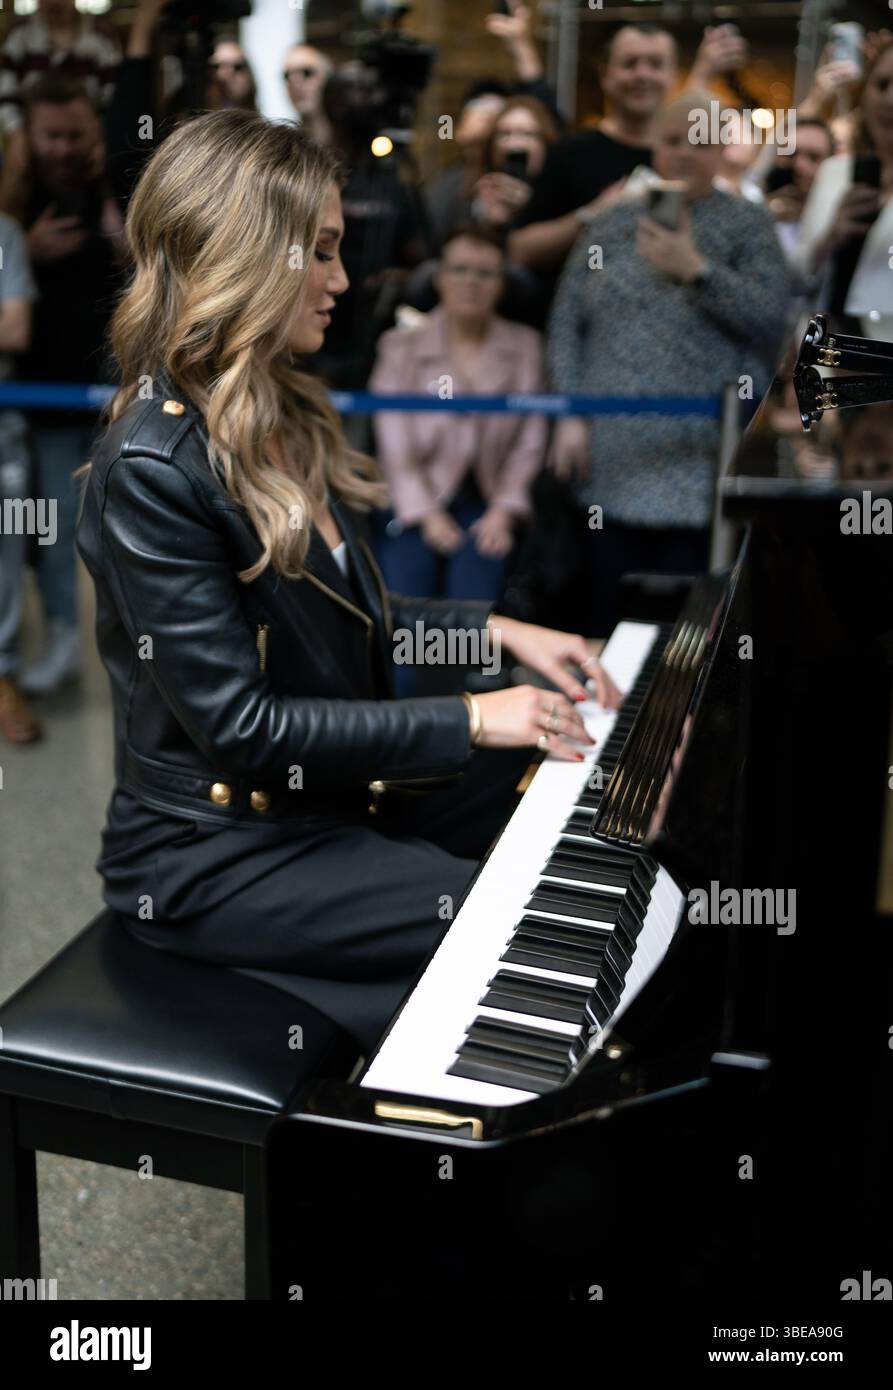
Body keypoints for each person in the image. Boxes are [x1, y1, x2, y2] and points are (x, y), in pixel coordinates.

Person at [74, 109, 620, 1055]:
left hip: (318, 800)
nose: (342, 279)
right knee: (510, 922)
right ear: (246, 255)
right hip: (213, 854)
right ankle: (372, 1116)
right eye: (319, 252)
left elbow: (352, 622)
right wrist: (474, 717)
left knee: (556, 806)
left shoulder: (281, 403)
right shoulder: (153, 464)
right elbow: (247, 731)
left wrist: (495, 633)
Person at [547, 92, 790, 637]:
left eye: (700, 140)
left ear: (724, 145)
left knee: (689, 631)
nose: (685, 152)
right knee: (607, 619)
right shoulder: (609, 226)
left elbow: (773, 318)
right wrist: (568, 413)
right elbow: (566, 324)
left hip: (703, 462)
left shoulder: (747, 224)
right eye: (673, 139)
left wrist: (696, 269)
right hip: (610, 459)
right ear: (652, 144)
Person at [369, 225, 547, 694]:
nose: (472, 282)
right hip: (413, 501)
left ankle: (465, 721)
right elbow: (392, 437)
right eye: (461, 270)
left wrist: (506, 510)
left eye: (486, 273)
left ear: (502, 284)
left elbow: (531, 435)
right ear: (440, 278)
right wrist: (425, 515)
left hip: (486, 502)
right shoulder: (401, 344)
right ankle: (407, 720)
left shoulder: (524, 344)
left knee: (475, 617)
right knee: (405, 616)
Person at [8, 77, 125, 696]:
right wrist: (22, 252)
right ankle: (61, 635)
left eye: (75, 134)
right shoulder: (14, 204)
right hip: (38, 398)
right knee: (47, 530)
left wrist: (123, 243)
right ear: (28, 136)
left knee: (123, 534)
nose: (62, 147)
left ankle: (137, 652)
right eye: (50, 135)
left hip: (115, 395)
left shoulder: (118, 190)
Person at [793, 31, 893, 340]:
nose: (890, 100)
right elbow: (800, 271)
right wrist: (832, 234)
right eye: (881, 84)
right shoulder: (835, 172)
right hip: (824, 360)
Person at [0, 212, 40, 743]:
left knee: (7, 549)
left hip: (3, 419)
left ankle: (2, 676)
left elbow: (15, 327)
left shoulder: (5, 232)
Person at [282, 42, 334, 146]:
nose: (295, 82)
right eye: (287, 75)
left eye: (307, 73)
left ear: (328, 77)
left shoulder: (353, 135)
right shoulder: (285, 145)